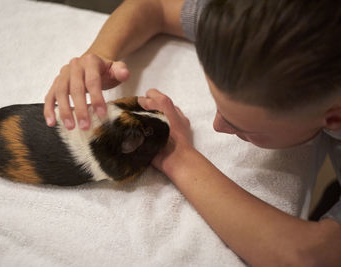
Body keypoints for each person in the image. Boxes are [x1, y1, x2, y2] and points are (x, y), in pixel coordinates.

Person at [44, 0, 341, 265]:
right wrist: (99, 55)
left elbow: (310, 254)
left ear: (334, 118)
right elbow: (154, 6)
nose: (217, 126)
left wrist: (178, 155)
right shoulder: (254, 22)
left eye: (245, 128)